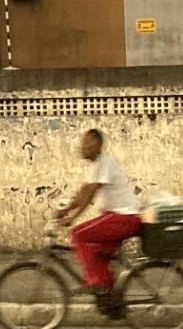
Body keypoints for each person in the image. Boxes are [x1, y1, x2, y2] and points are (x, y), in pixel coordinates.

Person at [56, 128, 142, 318]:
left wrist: (73, 218)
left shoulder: (105, 162)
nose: (83, 147)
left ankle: (97, 284)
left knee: (79, 233)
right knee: (97, 253)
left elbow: (92, 192)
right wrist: (66, 209)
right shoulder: (97, 166)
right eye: (83, 143)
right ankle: (111, 301)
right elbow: (84, 192)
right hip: (118, 217)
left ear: (98, 145)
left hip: (123, 217)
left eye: (88, 143)